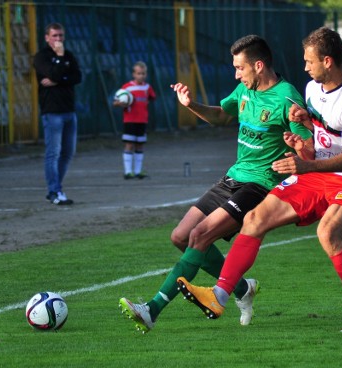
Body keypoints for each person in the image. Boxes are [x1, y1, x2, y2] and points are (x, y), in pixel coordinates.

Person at [177, 26, 342, 332]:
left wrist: (304, 165)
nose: (304, 66)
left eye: (309, 61)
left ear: (327, 61)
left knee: (328, 234)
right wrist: (304, 130)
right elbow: (321, 137)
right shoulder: (312, 89)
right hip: (318, 171)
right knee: (255, 219)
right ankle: (218, 296)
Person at [118, 35, 314, 333]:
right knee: (180, 236)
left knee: (200, 235)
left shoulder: (288, 99)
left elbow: (310, 150)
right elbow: (223, 116)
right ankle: (242, 289)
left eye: (240, 68)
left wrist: (298, 146)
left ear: (258, 66)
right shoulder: (244, 90)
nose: (236, 74)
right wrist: (190, 104)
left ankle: (151, 310)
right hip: (232, 177)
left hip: (259, 186)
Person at [33, 22, 82, 205]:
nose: (58, 39)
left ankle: (56, 187)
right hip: (52, 111)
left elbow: (77, 77)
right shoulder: (41, 57)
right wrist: (60, 61)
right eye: (54, 36)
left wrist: (59, 79)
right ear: (47, 37)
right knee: (53, 152)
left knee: (68, 152)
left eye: (61, 36)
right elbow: (51, 73)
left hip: (69, 110)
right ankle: (54, 191)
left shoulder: (69, 55)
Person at [113, 61, 156, 179]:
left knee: (140, 145)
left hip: (142, 120)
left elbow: (152, 97)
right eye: (138, 73)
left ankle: (138, 171)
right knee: (129, 144)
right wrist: (121, 103)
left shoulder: (147, 87)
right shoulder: (126, 88)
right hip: (130, 120)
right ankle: (128, 172)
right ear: (133, 74)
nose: (141, 76)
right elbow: (116, 102)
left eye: (143, 73)